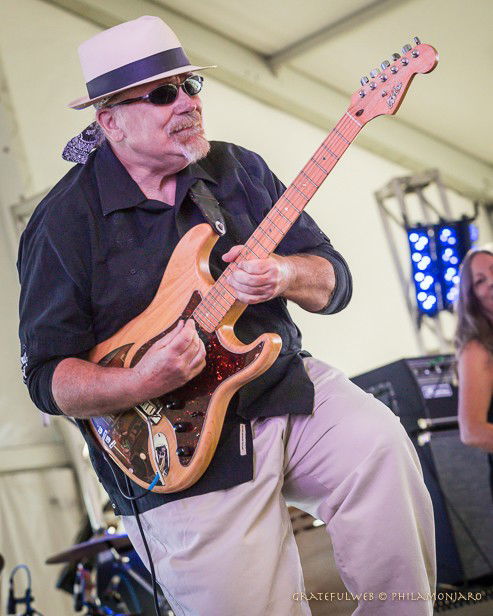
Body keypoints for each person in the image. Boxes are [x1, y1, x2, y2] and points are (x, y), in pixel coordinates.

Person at [17, 15, 436, 616]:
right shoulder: (62, 223)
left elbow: (333, 281)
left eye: (191, 85)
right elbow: (47, 376)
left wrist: (285, 274)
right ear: (110, 121)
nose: (187, 102)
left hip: (278, 388)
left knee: (379, 447)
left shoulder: (237, 169)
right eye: (163, 94)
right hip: (177, 446)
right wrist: (141, 381)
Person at [455, 248, 493, 500]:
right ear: (473, 296)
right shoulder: (477, 349)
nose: (491, 282)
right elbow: (471, 430)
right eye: (480, 281)